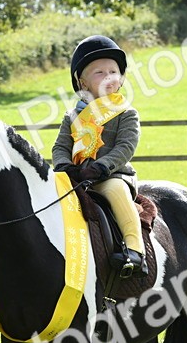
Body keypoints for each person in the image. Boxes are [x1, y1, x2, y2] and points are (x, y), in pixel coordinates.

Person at [52, 35, 148, 277]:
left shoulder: (126, 113)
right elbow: (60, 147)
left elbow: (126, 146)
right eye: (100, 73)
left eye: (113, 71)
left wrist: (102, 167)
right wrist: (65, 166)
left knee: (116, 190)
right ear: (82, 82)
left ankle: (135, 250)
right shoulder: (72, 116)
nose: (109, 77)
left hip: (110, 176)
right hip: (74, 177)